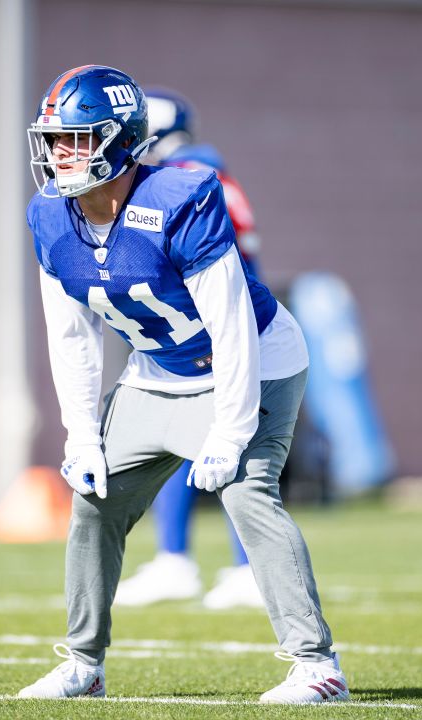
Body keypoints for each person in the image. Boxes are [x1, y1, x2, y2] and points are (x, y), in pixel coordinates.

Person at [16, 65, 348, 704]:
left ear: (119, 141)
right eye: (54, 140)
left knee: (247, 493)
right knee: (94, 502)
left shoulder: (181, 198)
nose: (61, 155)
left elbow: (231, 327)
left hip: (254, 360)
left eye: (78, 139)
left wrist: (228, 429)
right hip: (157, 375)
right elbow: (72, 337)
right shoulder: (51, 218)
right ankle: (85, 665)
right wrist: (81, 436)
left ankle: (318, 665)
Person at [112, 87, 265, 610]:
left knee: (235, 446)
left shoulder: (190, 176)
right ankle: (175, 559)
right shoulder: (198, 172)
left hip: (216, 327)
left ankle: (247, 567)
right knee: (181, 443)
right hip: (192, 328)